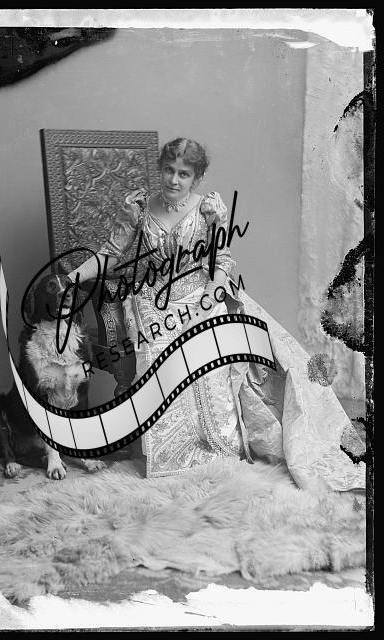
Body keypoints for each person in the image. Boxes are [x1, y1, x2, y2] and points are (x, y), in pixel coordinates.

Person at [68, 137, 365, 492]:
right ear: (159, 169)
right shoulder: (141, 207)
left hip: (201, 296)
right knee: (162, 358)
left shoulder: (208, 209)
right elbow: (109, 255)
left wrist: (211, 296)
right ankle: (170, 459)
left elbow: (221, 262)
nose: (174, 180)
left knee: (210, 356)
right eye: (168, 170)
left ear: (197, 178)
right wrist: (71, 278)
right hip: (152, 303)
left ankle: (217, 453)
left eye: (184, 174)